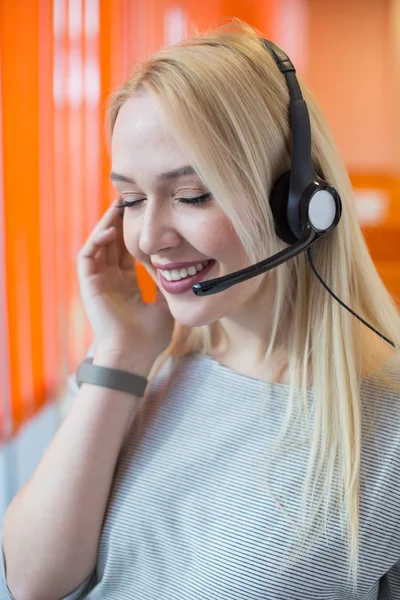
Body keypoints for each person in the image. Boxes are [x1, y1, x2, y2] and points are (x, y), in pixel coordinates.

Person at [2, 19, 400, 600]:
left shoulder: (383, 433)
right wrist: (121, 355)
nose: (147, 238)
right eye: (131, 200)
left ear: (299, 204)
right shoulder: (142, 370)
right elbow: (33, 581)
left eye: (191, 196)